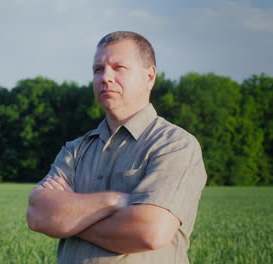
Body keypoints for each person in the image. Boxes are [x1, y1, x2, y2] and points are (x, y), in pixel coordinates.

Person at [26, 31, 207, 264]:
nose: (105, 77)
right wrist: (112, 202)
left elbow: (149, 231)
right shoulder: (75, 150)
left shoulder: (175, 145)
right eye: (98, 69)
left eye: (119, 67)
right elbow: (37, 215)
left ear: (149, 77)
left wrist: (68, 221)